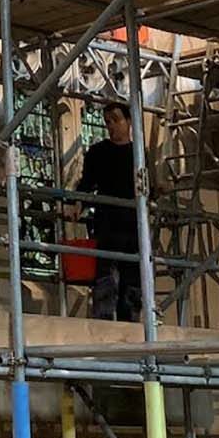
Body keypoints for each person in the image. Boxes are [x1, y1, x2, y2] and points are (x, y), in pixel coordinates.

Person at [75, 101, 143, 321]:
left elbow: (145, 187)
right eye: (107, 121)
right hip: (107, 224)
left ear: (129, 121)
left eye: (116, 119)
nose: (111, 125)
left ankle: (131, 324)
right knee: (105, 278)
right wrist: (76, 204)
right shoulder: (98, 152)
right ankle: (103, 323)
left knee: (132, 281)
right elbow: (86, 184)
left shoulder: (139, 153)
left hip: (133, 226)